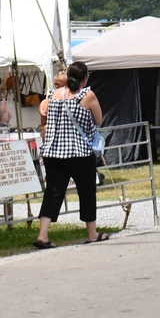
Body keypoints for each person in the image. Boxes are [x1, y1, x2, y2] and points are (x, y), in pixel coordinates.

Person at [35, 60, 109, 247]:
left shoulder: (54, 94)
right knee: (86, 191)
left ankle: (42, 235)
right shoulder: (87, 95)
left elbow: (43, 113)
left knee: (53, 192)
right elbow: (99, 120)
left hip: (53, 152)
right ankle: (92, 234)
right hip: (79, 152)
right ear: (85, 78)